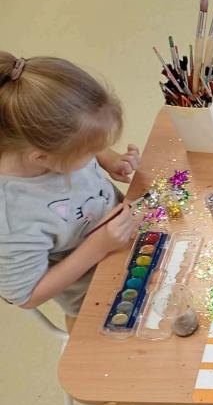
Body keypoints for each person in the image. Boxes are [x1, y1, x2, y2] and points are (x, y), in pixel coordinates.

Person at [0, 53, 140, 332]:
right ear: (42, 157)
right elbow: (27, 296)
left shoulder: (49, 144)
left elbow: (79, 136)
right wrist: (99, 245)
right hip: (98, 294)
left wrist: (109, 158)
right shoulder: (11, 219)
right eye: (89, 151)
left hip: (130, 236)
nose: (93, 154)